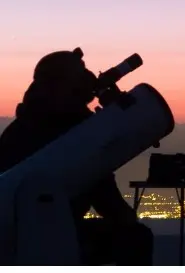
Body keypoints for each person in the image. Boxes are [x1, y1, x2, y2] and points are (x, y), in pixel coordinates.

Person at [0, 49, 154, 265]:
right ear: (65, 87)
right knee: (136, 238)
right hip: (53, 240)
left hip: (13, 242)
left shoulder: (17, 133)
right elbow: (112, 207)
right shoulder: (79, 136)